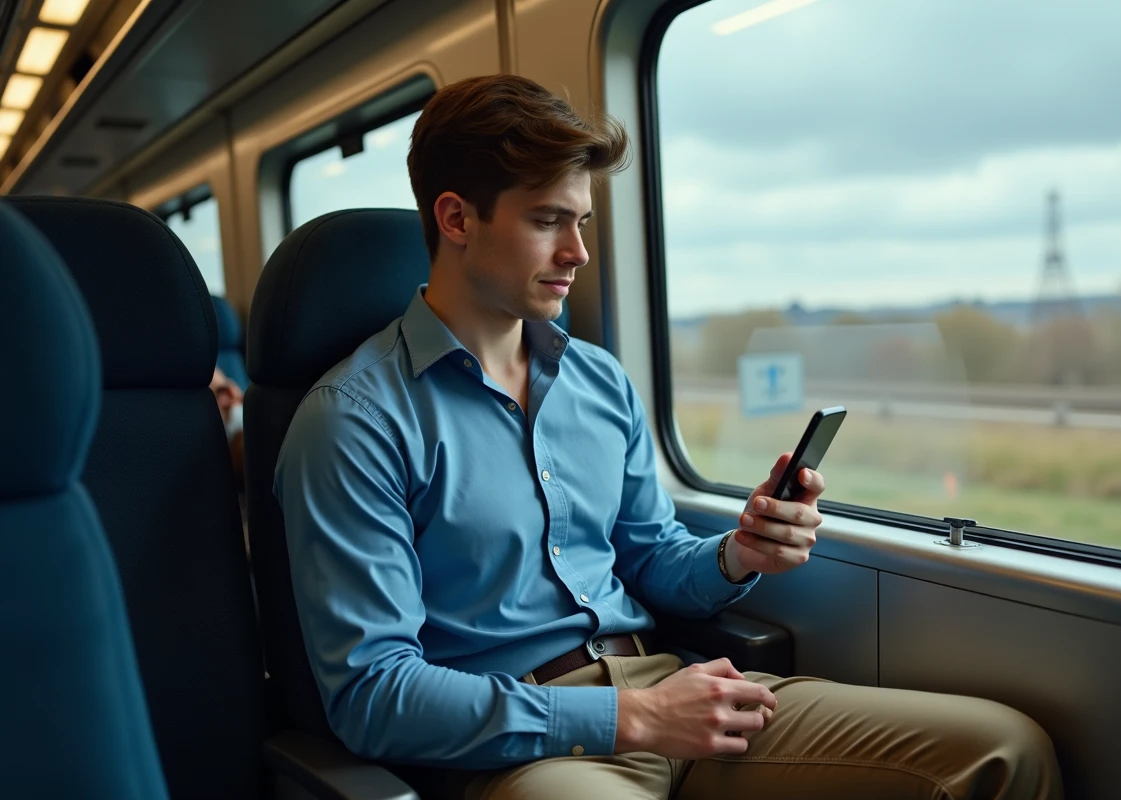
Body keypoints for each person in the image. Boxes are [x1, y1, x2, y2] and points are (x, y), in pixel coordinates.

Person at [274, 74, 1063, 800]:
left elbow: (647, 556)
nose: (578, 252)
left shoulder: (598, 382)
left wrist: (738, 554)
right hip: (518, 753)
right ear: (456, 218)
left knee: (1001, 752)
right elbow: (375, 696)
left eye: (580, 221)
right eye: (549, 221)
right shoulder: (354, 420)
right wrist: (629, 720)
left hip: (668, 688)